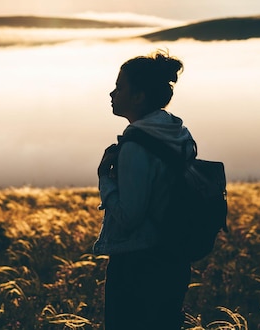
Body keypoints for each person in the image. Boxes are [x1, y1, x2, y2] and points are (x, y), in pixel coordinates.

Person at [93, 50, 193, 330]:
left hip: (138, 264)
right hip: (173, 256)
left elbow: (130, 217)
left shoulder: (137, 145)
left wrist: (104, 178)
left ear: (139, 97)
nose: (111, 94)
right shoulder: (177, 132)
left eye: (119, 87)